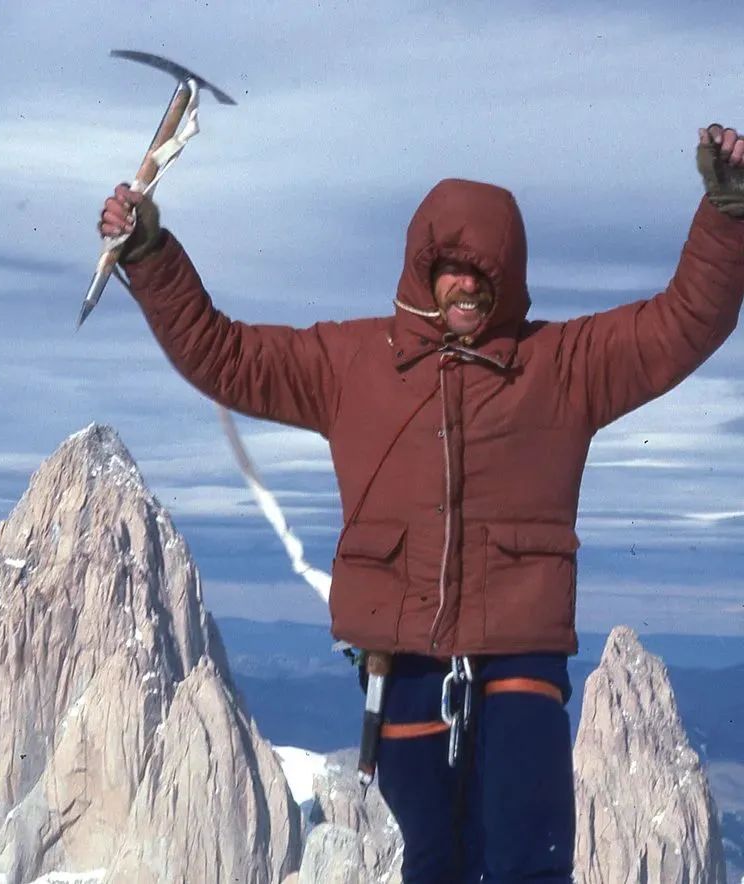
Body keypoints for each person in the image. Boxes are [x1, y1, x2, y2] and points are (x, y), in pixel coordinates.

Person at [97, 124, 744, 882]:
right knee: (434, 858)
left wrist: (727, 214)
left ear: (511, 277)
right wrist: (150, 256)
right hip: (398, 655)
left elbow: (684, 323)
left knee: (527, 856)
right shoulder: (350, 364)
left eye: (484, 272)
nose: (467, 285)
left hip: (520, 646)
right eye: (450, 268)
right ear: (421, 269)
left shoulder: (561, 366)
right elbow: (225, 353)